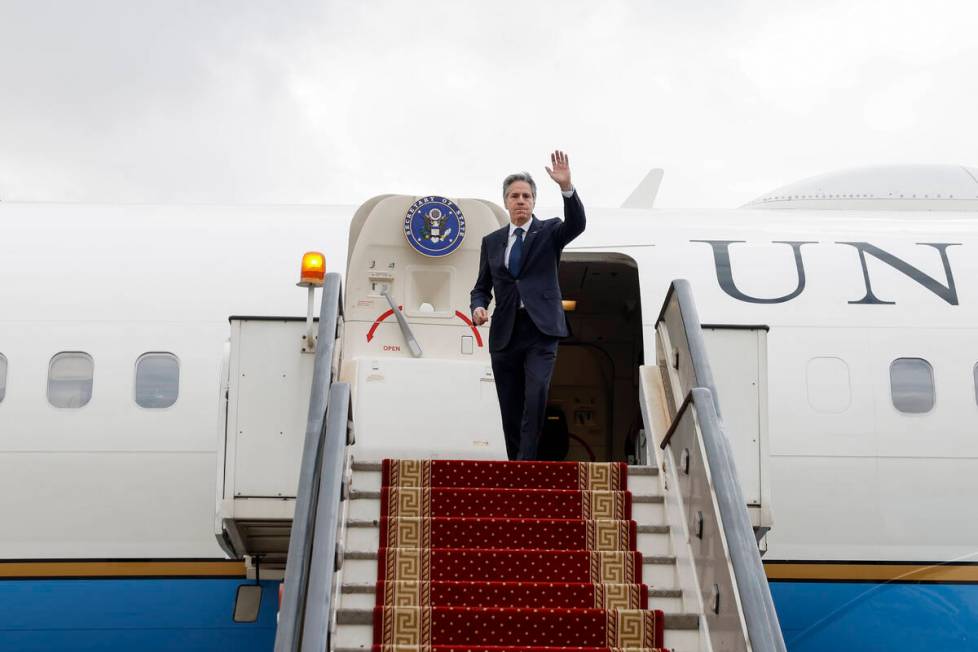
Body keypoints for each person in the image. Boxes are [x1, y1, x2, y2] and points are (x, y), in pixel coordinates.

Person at [470, 151, 586, 460]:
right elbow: (481, 288)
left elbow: (578, 224)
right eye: (514, 196)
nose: (520, 200)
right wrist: (478, 307)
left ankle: (526, 463)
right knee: (509, 403)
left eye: (526, 196)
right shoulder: (492, 242)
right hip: (506, 332)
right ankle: (515, 462)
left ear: (533, 201)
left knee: (535, 395)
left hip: (541, 329)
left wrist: (567, 188)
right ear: (506, 202)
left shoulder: (549, 231)